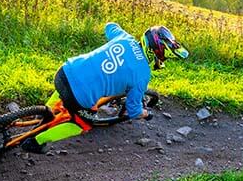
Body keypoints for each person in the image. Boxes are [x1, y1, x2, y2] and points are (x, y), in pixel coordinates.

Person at [28, 22, 188, 151]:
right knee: (82, 125)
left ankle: (43, 113)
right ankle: (36, 142)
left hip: (65, 71)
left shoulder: (125, 37)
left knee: (67, 87)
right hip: (80, 96)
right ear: (157, 54)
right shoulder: (142, 75)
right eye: (164, 58)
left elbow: (109, 26)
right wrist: (145, 113)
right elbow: (134, 111)